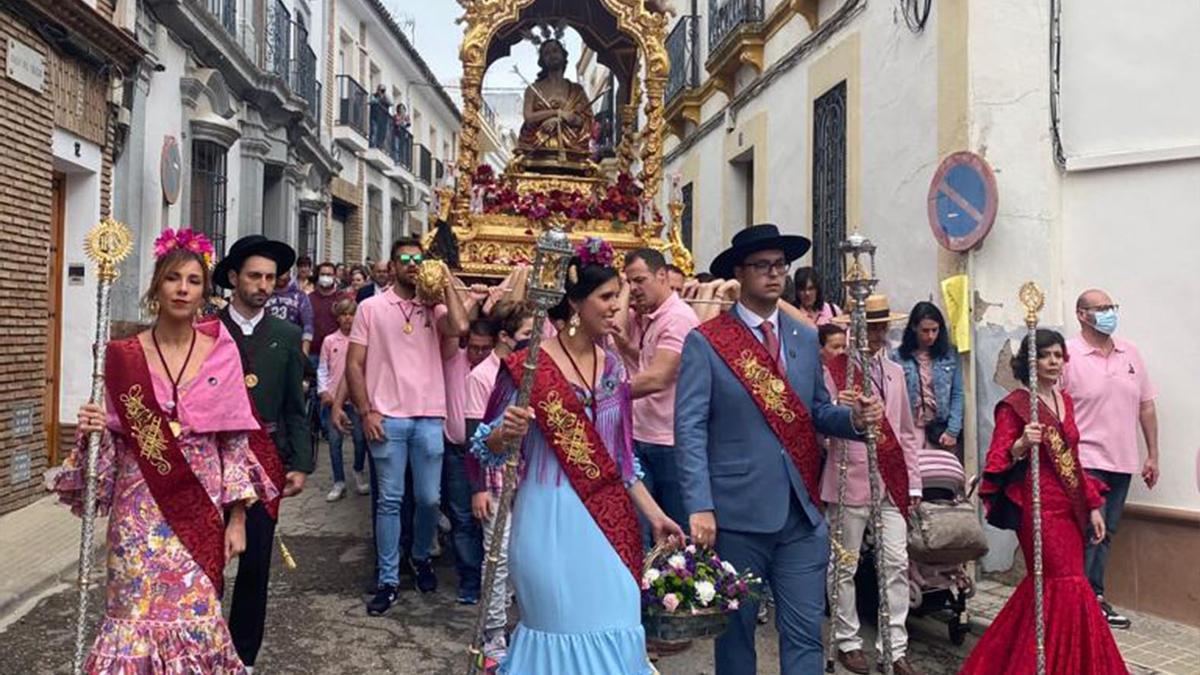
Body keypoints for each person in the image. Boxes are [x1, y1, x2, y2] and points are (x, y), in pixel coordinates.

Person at [55, 229, 274, 673]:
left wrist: (237, 520)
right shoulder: (122, 357)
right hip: (138, 512)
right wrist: (93, 428)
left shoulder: (222, 353)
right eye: (173, 278)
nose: (183, 289)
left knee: (197, 613)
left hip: (199, 506)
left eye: (193, 281)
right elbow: (110, 449)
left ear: (205, 291)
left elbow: (233, 443)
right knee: (133, 615)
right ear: (157, 285)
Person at [675, 224, 883, 675]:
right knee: (735, 638)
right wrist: (700, 506)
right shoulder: (708, 342)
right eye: (762, 267)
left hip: (801, 512)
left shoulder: (804, 337)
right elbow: (688, 428)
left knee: (805, 631)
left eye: (780, 267)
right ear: (739, 273)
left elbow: (816, 411)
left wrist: (853, 420)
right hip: (736, 515)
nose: (774, 275)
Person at [471, 237, 685, 674]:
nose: (616, 308)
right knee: (561, 629)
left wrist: (656, 514)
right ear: (574, 302)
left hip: (609, 522)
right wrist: (502, 435)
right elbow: (484, 448)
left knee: (621, 616)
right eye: (607, 297)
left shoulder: (612, 368)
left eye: (619, 297)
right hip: (548, 520)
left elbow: (623, 461)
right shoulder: (529, 367)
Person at [960, 329, 1126, 674]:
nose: (1054, 362)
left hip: (1069, 505)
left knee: (1056, 587)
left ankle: (1056, 661)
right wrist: (1021, 443)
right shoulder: (1016, 405)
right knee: (1064, 583)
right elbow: (997, 458)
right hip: (1037, 508)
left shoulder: (1064, 400)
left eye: (1059, 355)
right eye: (1046, 355)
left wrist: (1093, 504)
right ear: (1030, 362)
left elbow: (1074, 459)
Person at [339, 237, 469, 614]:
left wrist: (444, 281)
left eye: (418, 259)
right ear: (392, 266)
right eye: (405, 259)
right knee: (390, 501)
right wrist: (366, 411)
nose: (413, 264)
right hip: (388, 417)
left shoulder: (435, 307)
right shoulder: (371, 307)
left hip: (429, 415)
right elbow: (353, 364)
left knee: (429, 498)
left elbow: (460, 327)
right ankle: (388, 577)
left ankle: (421, 555)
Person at [215, 235, 314, 670]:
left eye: (271, 278)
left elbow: (296, 404)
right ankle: (204, 647)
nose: (263, 285)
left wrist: (300, 463)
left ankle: (243, 657)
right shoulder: (209, 331)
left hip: (265, 461)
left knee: (255, 565)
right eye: (254, 276)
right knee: (206, 559)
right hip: (212, 459)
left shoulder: (287, 334)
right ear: (234, 278)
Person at [824, 295, 923, 675]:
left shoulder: (897, 373)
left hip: (890, 481)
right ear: (854, 328)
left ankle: (894, 646)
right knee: (844, 565)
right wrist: (840, 408)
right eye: (871, 326)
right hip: (848, 480)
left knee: (896, 563)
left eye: (883, 326)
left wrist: (913, 483)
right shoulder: (834, 372)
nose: (878, 333)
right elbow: (818, 425)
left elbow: (906, 433)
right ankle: (848, 639)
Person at [1061, 289, 1158, 629]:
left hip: (1122, 459)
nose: (1109, 313)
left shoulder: (1129, 352)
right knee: (1090, 529)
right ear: (1081, 314)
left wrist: (1152, 455)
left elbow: (1145, 405)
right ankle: (1086, 600)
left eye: (1111, 306)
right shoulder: (1068, 355)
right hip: (1084, 458)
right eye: (1101, 308)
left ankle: (1090, 596)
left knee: (1107, 530)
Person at [613, 248, 699, 549]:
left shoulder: (677, 318)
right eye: (629, 281)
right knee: (640, 529)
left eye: (640, 280)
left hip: (669, 441)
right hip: (641, 434)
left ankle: (675, 592)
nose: (635, 288)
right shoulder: (648, 316)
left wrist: (606, 396)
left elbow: (659, 377)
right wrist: (627, 289)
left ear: (662, 276)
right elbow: (617, 328)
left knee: (675, 531)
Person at [465, 300, 536, 666]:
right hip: (494, 478)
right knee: (498, 558)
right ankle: (492, 632)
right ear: (506, 338)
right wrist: (477, 486)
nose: (535, 342)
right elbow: (474, 436)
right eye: (527, 335)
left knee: (525, 555)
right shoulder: (484, 376)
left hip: (528, 475)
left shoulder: (534, 370)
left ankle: (524, 625)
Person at [442, 316, 495, 606]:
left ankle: (493, 580)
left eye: (485, 348)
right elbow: (456, 324)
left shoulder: (498, 370)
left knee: (490, 519)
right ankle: (470, 578)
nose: (478, 354)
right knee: (462, 518)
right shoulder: (454, 359)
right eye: (473, 347)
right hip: (457, 452)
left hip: (492, 454)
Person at [894, 302, 965, 459]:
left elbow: (957, 393)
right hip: (911, 425)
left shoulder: (950, 355)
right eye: (925, 331)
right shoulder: (897, 357)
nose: (931, 336)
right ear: (914, 328)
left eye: (935, 330)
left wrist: (953, 430)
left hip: (940, 426)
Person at [319, 298, 369, 500]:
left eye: (352, 314)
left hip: (356, 399)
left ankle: (358, 470)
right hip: (333, 400)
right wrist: (324, 391)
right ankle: (338, 480)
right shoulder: (330, 341)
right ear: (338, 318)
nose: (348, 319)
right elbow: (323, 368)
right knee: (334, 441)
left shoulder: (363, 341)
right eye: (344, 314)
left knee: (360, 439)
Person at [309, 262, 353, 372]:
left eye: (329, 275)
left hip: (337, 352)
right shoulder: (308, 299)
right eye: (323, 274)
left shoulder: (344, 298)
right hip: (313, 354)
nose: (326, 277)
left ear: (335, 276)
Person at [265, 267, 315, 356]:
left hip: (293, 347)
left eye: (284, 272)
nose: (281, 276)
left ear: (289, 272)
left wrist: (304, 353)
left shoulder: (300, 296)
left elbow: (308, 325)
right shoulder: (264, 295)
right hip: (267, 347)